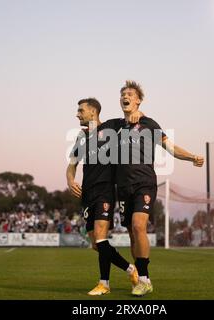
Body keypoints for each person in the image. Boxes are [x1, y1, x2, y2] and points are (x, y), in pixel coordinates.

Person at [114, 80, 204, 296]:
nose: (125, 96)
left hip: (144, 183)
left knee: (138, 226)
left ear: (138, 100)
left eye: (130, 94)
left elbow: (171, 148)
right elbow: (97, 125)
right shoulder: (115, 126)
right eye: (122, 94)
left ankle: (144, 279)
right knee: (132, 235)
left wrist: (192, 157)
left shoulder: (149, 124)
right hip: (123, 187)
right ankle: (142, 276)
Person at [66, 98, 142, 295]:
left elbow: (132, 117)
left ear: (93, 112)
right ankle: (130, 269)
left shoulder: (112, 127)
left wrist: (137, 114)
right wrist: (70, 181)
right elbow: (71, 165)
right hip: (87, 192)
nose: (77, 114)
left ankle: (104, 284)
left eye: (80, 110)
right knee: (95, 244)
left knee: (101, 237)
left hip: (105, 190)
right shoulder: (81, 137)